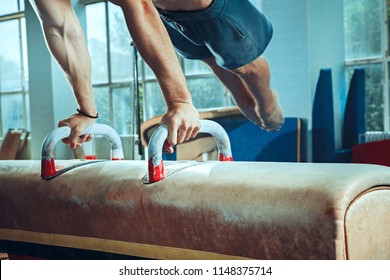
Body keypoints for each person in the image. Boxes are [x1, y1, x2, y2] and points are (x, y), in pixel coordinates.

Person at [30, 0, 284, 154]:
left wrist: (180, 102)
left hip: (212, 8)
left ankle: (268, 102)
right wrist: (86, 111)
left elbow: (137, 4)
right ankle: (255, 106)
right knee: (214, 64)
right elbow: (61, 28)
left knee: (246, 71)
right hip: (166, 18)